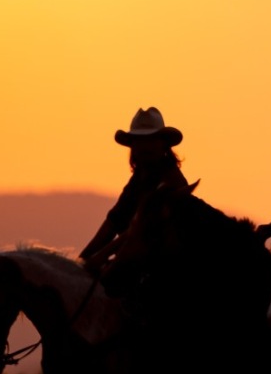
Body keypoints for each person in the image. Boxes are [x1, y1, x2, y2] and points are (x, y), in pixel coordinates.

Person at [79, 105, 190, 286]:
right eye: (139, 141)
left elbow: (141, 229)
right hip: (134, 260)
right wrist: (83, 259)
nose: (144, 146)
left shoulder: (171, 181)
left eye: (150, 140)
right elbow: (113, 221)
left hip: (162, 270)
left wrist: (101, 256)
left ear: (163, 144)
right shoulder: (138, 179)